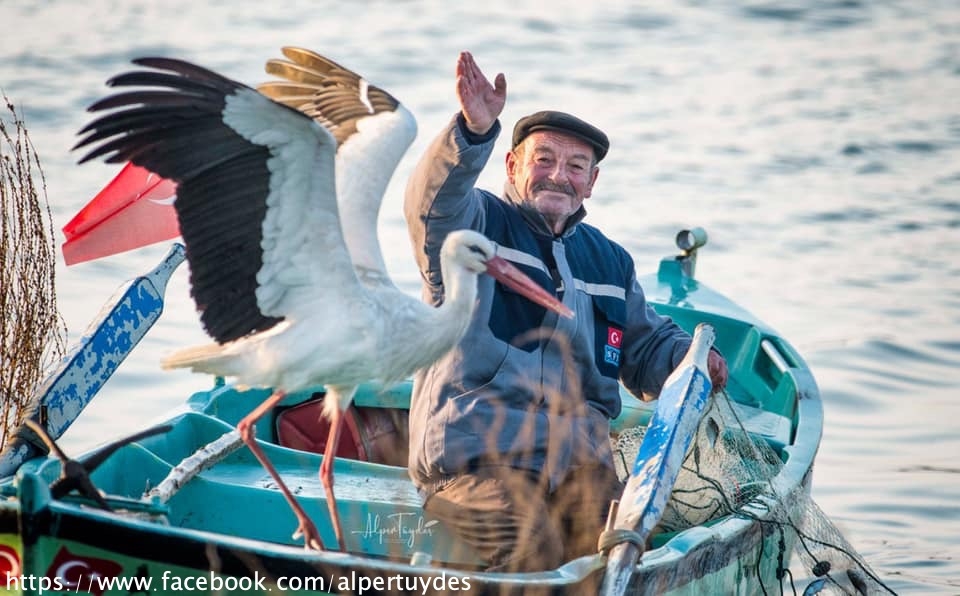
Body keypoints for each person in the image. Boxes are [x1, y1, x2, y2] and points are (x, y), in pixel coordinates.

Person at [403, 51, 728, 574]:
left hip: (581, 471)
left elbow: (645, 350)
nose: (560, 176)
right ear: (512, 166)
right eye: (545, 160)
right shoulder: (474, 225)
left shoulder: (610, 261)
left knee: (629, 558)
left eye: (576, 166)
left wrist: (689, 359)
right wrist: (471, 131)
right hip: (482, 466)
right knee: (532, 552)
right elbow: (430, 206)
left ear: (592, 182)